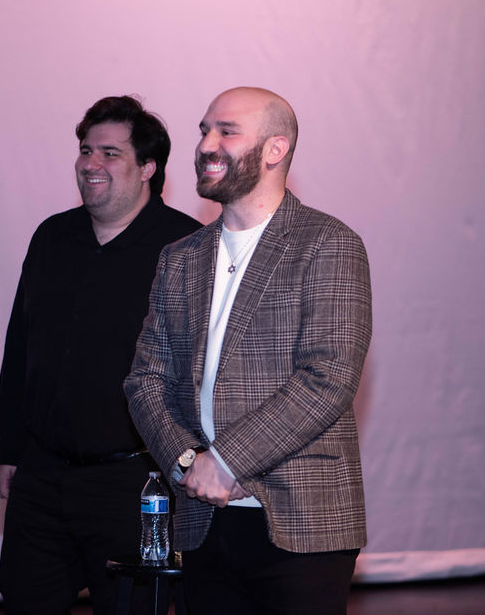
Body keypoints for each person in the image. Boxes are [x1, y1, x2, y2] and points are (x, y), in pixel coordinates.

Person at [124, 87, 372, 614]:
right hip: (203, 519)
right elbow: (145, 380)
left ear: (275, 149)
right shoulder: (180, 257)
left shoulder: (327, 243)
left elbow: (327, 377)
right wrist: (189, 463)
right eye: (204, 131)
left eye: (227, 131)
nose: (205, 144)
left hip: (301, 523)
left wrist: (226, 462)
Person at [0, 95, 201, 615]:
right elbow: (21, 345)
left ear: (148, 167)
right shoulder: (52, 237)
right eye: (86, 150)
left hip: (137, 483)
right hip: (41, 476)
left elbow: (204, 371)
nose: (91, 164)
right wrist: (10, 445)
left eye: (110, 153)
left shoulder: (186, 247)